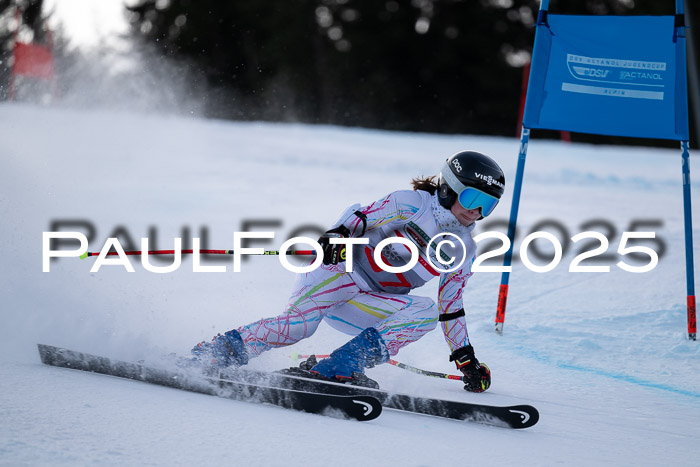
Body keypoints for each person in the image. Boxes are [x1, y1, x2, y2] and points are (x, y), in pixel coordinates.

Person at [192, 150, 505, 392]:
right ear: (449, 188)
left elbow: (451, 309)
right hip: (337, 273)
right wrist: (337, 236)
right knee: (299, 327)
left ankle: (340, 366)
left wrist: (466, 359)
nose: (476, 212)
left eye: (487, 205)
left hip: (366, 301)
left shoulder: (463, 250)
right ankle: (217, 352)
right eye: (472, 198)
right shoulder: (411, 204)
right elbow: (359, 218)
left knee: (426, 311)